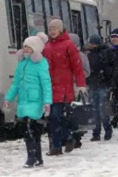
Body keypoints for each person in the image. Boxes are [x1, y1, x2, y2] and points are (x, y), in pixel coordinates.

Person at [4, 32, 52, 168]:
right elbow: (16, 83)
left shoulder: (41, 63)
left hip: (35, 101)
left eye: (29, 47)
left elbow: (46, 83)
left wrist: (47, 101)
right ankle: (37, 158)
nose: (25, 49)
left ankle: (32, 158)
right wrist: (8, 98)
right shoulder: (22, 63)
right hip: (23, 102)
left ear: (35, 49)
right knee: (31, 130)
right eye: (25, 46)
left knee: (29, 130)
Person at [42, 19, 86, 155]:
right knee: (54, 118)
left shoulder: (69, 45)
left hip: (64, 88)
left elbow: (77, 67)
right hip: (50, 88)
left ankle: (57, 146)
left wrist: (81, 84)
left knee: (56, 117)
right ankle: (66, 139)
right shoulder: (47, 46)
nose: (52, 31)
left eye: (55, 28)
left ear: (61, 29)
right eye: (50, 29)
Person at [86, 34, 113, 141]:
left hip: (99, 85)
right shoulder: (103, 52)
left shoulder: (97, 54)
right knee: (98, 110)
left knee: (99, 110)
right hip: (97, 84)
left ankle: (100, 132)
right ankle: (101, 131)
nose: (91, 45)